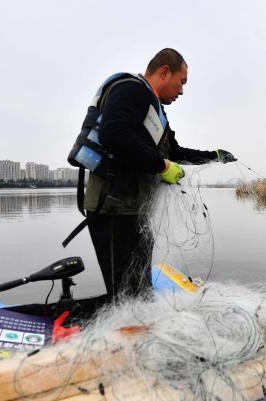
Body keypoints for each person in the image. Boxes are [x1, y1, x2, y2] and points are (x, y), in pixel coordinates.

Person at [72, 48, 236, 299]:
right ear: (164, 72)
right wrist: (162, 167)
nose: (182, 91)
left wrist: (213, 156)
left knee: (141, 289)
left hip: (134, 211)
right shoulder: (132, 90)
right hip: (112, 210)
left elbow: (175, 152)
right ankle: (127, 331)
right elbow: (113, 133)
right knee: (126, 294)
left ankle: (139, 326)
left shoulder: (154, 109)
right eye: (181, 82)